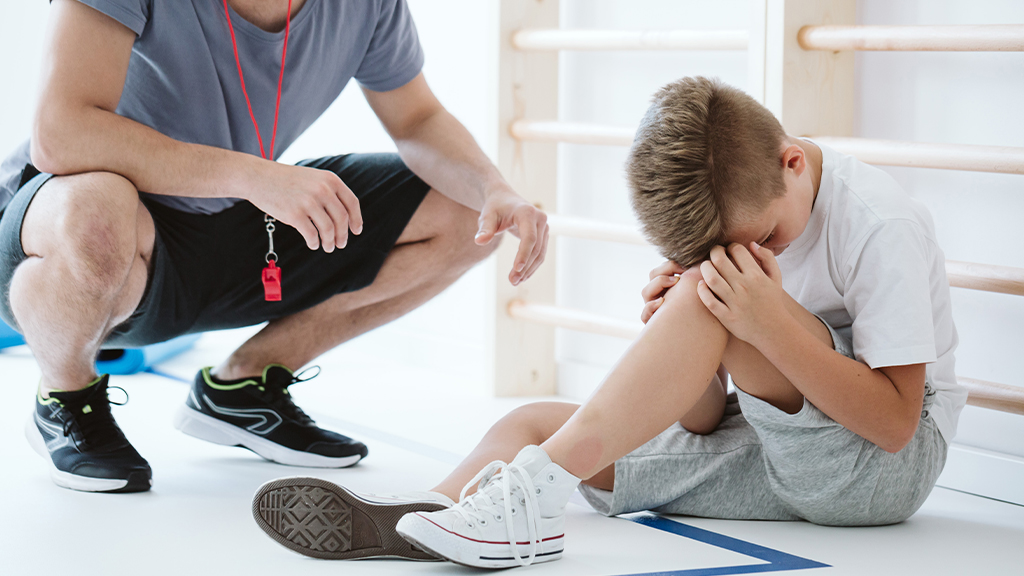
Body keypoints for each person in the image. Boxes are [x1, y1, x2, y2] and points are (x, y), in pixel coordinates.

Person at [249, 76, 965, 567]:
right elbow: (704, 422)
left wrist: (759, 320)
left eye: (767, 240)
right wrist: (686, 336)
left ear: (792, 161)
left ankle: (526, 502)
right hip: (771, 452)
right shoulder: (745, 240)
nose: (755, 256)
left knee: (714, 299)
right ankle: (432, 516)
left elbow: (898, 426)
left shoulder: (878, 223)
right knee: (531, 424)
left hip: (878, 473)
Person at [2, 0, 550, 494]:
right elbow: (63, 132)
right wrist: (255, 177)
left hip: (230, 217)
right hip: (83, 237)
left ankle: (246, 387)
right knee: (95, 212)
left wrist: (493, 187)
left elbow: (417, 118)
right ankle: (65, 396)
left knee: (470, 214)